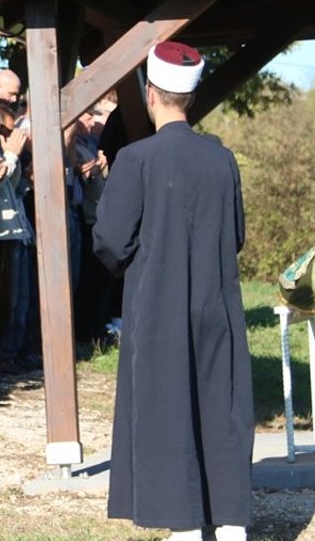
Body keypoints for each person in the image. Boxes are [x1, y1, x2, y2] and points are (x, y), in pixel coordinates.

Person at [92, 41, 251, 541]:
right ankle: (230, 529)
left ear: (151, 94)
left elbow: (111, 242)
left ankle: (183, 530)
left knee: (167, 410)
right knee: (220, 412)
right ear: (191, 96)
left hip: (156, 305)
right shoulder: (221, 160)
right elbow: (238, 235)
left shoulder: (135, 159)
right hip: (217, 303)